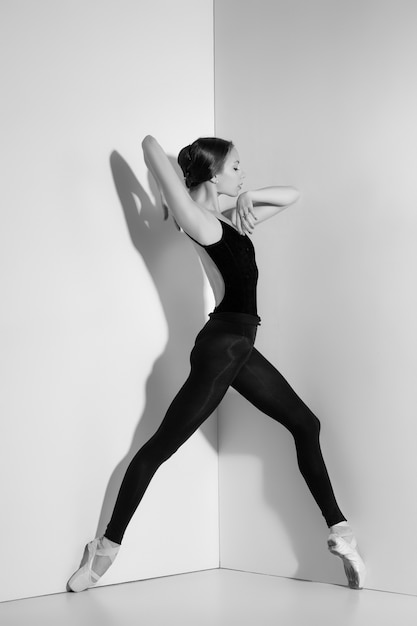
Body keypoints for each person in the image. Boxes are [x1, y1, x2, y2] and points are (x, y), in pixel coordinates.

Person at [67, 135, 366, 592]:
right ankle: (104, 550)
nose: (243, 172)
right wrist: (171, 192)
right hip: (222, 346)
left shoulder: (231, 221)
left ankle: (340, 531)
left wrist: (249, 195)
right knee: (158, 448)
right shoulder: (198, 222)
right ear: (212, 173)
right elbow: (149, 144)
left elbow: (293, 196)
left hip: (239, 346)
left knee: (306, 424)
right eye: (237, 167)